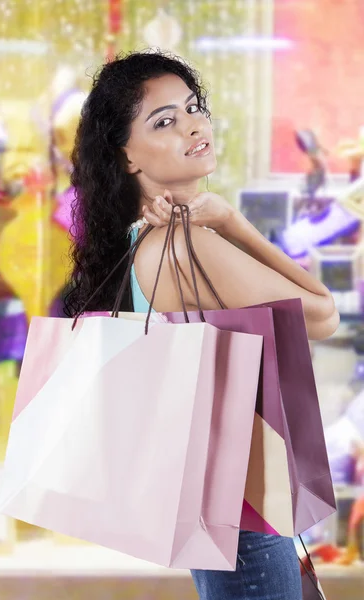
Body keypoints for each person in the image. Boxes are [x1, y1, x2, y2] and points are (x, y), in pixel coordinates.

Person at [64, 50, 339, 600]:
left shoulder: (140, 241)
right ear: (126, 156)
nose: (192, 125)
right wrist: (232, 221)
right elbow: (324, 313)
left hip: (218, 512)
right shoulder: (188, 246)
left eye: (193, 108)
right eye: (163, 121)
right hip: (246, 522)